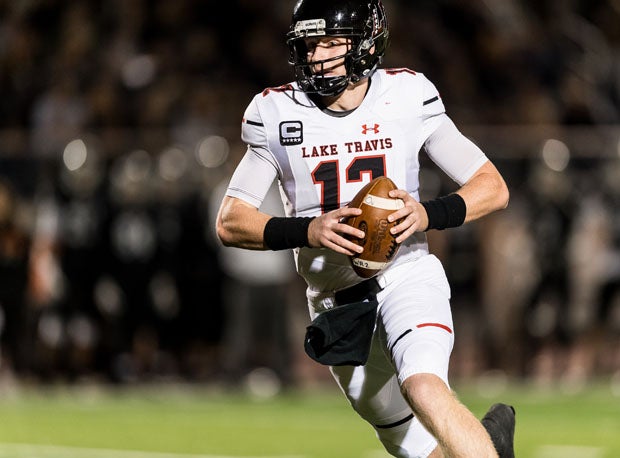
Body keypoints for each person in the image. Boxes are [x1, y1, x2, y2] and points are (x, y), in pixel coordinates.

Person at [216, 1, 515, 456]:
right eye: (311, 44)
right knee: (411, 445)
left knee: (424, 387)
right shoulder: (275, 112)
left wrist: (428, 213)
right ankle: (490, 446)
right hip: (334, 301)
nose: (318, 56)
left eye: (332, 43)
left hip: (405, 273)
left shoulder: (407, 96)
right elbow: (231, 221)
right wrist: (307, 230)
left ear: (367, 42)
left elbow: (491, 186)